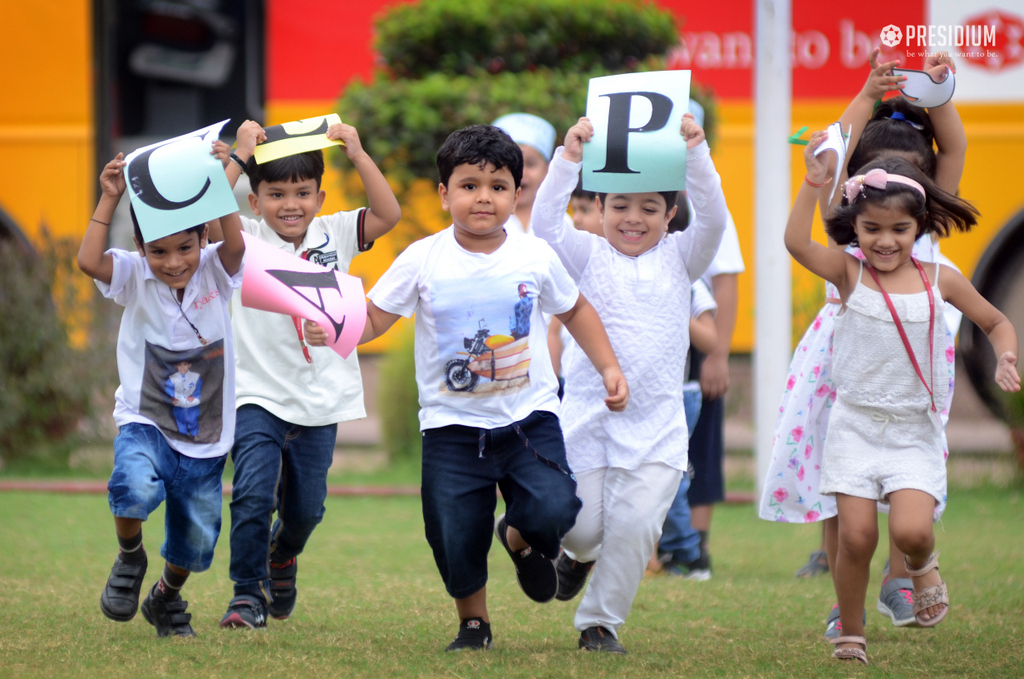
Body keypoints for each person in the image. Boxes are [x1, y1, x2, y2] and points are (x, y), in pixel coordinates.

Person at [306, 123, 629, 652]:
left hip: (530, 420)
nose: (484, 197)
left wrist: (609, 367)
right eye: (469, 185)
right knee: (454, 532)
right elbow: (375, 318)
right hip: (451, 428)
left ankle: (521, 536)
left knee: (555, 507)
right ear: (444, 193)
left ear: (516, 194)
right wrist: (336, 328)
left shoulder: (535, 255)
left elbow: (575, 310)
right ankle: (473, 623)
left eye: (499, 186)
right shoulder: (422, 258)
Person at [759, 50, 967, 638]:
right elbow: (835, 149)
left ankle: (902, 575)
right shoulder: (848, 228)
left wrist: (940, 91)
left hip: (912, 369)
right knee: (838, 486)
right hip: (838, 365)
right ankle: (841, 599)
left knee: (908, 475)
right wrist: (868, 93)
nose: (887, 226)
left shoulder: (927, 223)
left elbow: (952, 148)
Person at [788, 143, 1019, 664]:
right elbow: (795, 243)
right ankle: (851, 631)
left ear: (920, 229)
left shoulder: (942, 280)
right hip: (854, 427)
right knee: (856, 538)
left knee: (911, 529)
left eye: (899, 230)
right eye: (872, 229)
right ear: (856, 228)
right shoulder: (848, 275)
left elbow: (996, 322)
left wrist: (1005, 355)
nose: (885, 241)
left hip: (913, 429)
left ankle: (921, 563)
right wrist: (813, 183)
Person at [532, 112, 727, 653]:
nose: (633, 218)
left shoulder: (683, 258)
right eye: (619, 206)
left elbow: (713, 220)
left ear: (670, 213)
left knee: (637, 526)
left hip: (659, 430)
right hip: (587, 424)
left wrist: (697, 154)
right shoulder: (584, 253)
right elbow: (544, 226)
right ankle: (574, 557)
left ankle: (600, 624)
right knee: (581, 530)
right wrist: (568, 158)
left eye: (649, 208)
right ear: (598, 208)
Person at [210, 119, 401, 629]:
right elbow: (207, 217)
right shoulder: (244, 236)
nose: (290, 204)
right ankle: (246, 594)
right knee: (252, 494)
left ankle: (283, 554)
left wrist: (358, 153)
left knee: (306, 511)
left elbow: (388, 213)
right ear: (255, 202)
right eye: (275, 194)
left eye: (301, 192)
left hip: (322, 400)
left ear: (319, 196)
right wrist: (240, 156)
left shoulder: (335, 233)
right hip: (256, 394)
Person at [79, 151, 246, 638]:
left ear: (203, 239)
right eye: (159, 251)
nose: (174, 262)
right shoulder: (134, 274)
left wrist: (221, 179)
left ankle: (165, 599)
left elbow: (234, 244)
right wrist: (109, 197)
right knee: (133, 488)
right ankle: (130, 557)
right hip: (145, 419)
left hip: (205, 431)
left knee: (195, 541)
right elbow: (88, 261)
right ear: (140, 247)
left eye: (185, 248)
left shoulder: (217, 268)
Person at [650, 197, 718, 578]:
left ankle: (686, 551)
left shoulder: (690, 279)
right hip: (636, 389)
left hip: (680, 392)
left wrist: (676, 306)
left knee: (670, 474)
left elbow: (710, 339)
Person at [492, 112, 573, 236]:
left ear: (547, 170)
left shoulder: (561, 222)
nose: (521, 172)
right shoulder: (484, 218)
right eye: (512, 164)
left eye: (530, 164)